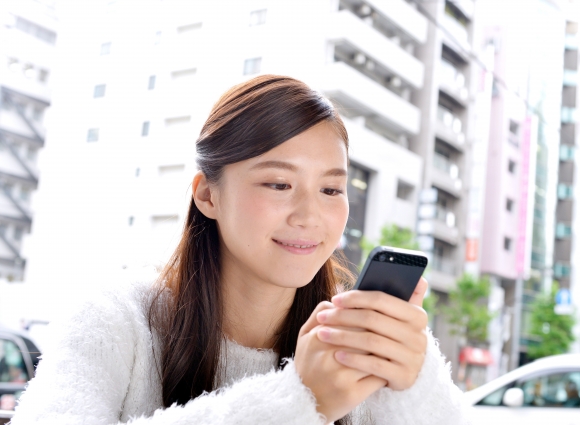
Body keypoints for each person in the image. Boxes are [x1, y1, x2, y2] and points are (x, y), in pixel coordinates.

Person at [10, 75, 471, 425]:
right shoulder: (115, 319)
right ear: (207, 195)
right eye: (278, 183)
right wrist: (299, 401)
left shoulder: (366, 341)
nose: (309, 215)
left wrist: (414, 386)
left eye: (332, 190)